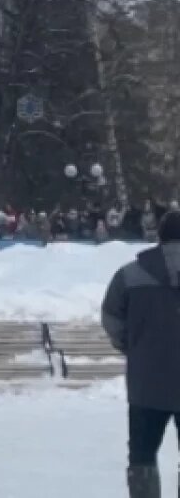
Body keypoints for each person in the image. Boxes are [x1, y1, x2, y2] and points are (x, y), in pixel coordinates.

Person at [102, 211, 180, 498]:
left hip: (147, 382)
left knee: (142, 456)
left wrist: (133, 347)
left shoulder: (129, 275)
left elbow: (111, 318)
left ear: (159, 236)